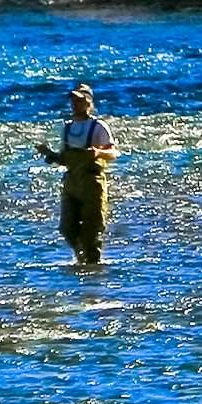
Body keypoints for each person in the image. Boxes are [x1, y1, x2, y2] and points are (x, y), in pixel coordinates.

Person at [37, 84, 118, 267]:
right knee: (67, 229)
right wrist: (49, 154)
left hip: (93, 182)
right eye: (73, 100)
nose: (75, 104)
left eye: (79, 101)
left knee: (92, 230)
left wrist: (97, 152)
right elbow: (64, 159)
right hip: (71, 182)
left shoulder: (98, 126)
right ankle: (81, 261)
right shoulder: (67, 128)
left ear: (88, 102)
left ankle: (92, 268)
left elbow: (113, 153)